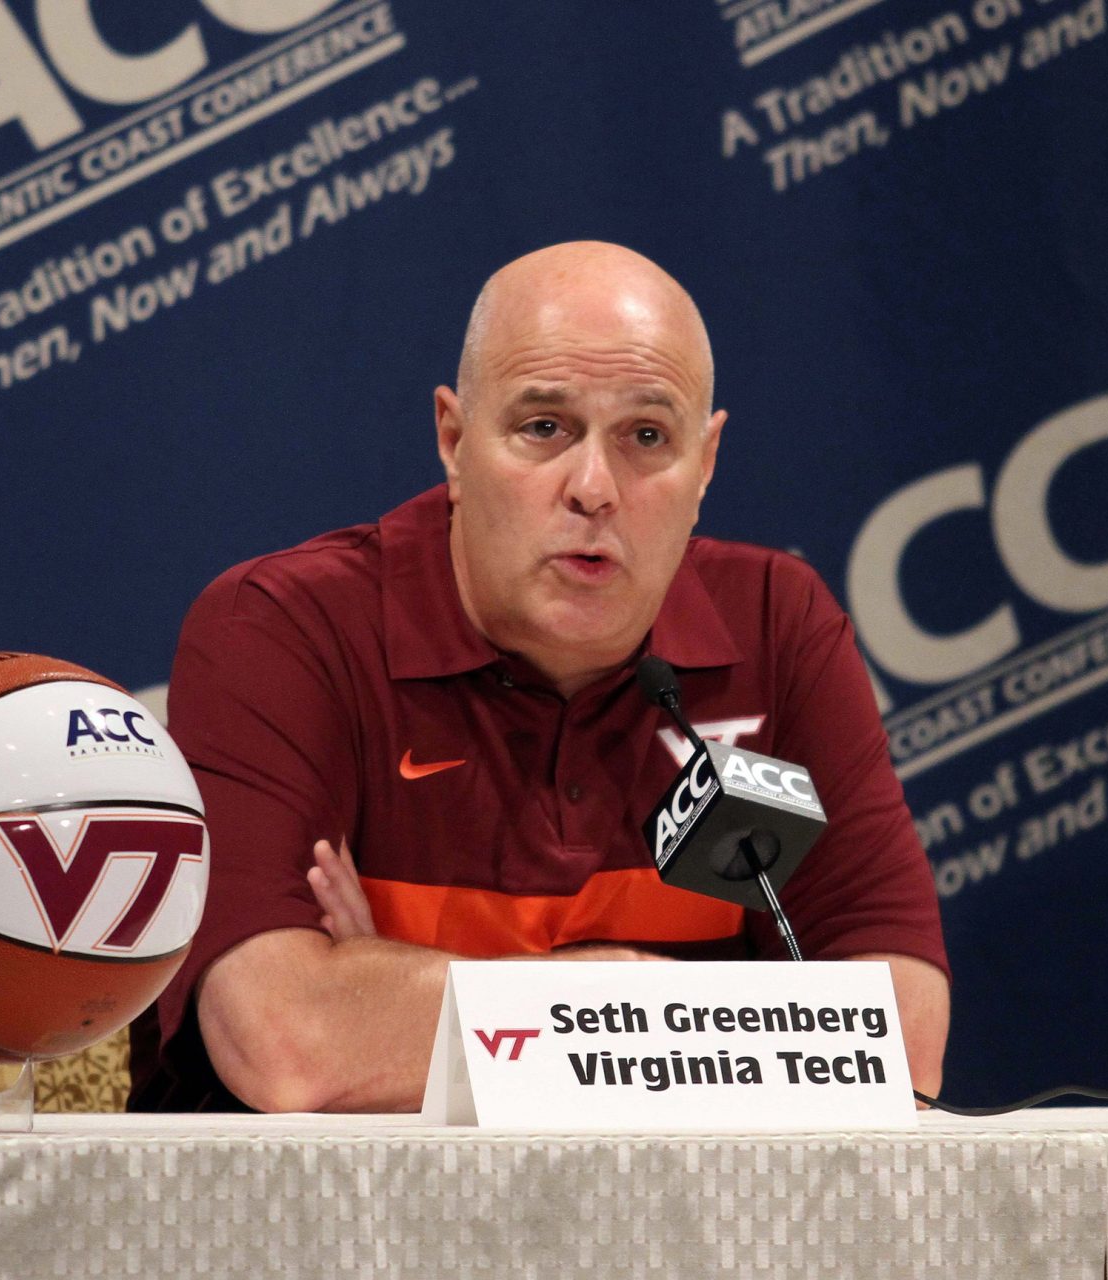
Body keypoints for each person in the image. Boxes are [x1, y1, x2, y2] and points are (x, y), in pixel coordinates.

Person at [129, 241, 949, 1113]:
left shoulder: (775, 628)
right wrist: (661, 1009)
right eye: (544, 428)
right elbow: (290, 1042)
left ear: (705, 464)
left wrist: (405, 995)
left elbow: (902, 1042)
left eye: (646, 436)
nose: (594, 488)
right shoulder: (285, 629)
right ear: (453, 439)